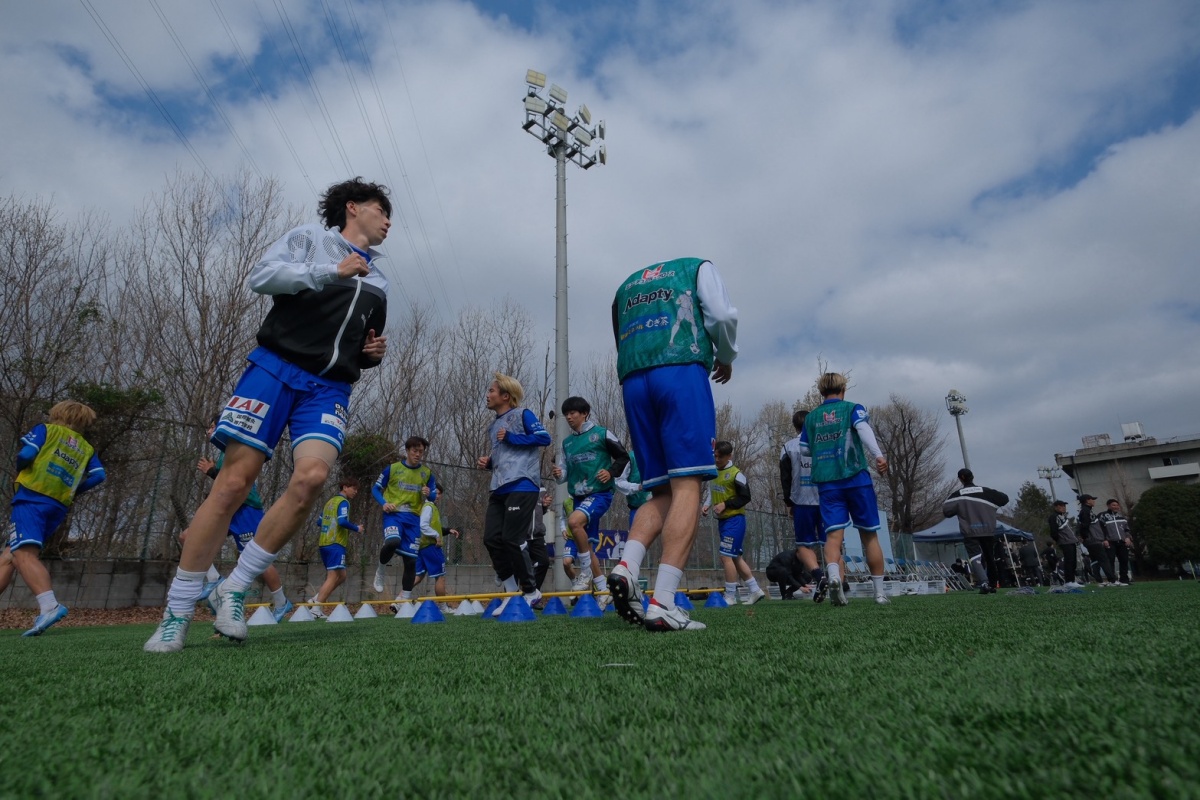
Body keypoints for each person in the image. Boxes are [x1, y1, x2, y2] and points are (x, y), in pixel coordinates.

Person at [145, 177, 392, 653]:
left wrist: (372, 355)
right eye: (382, 211)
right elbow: (262, 277)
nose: (388, 222)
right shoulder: (310, 239)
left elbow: (360, 345)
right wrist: (331, 271)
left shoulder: (380, 283)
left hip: (329, 389)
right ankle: (176, 613)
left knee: (312, 479)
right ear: (353, 207)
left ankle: (234, 589)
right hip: (274, 370)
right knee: (233, 485)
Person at [605, 257, 737, 632]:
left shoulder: (626, 286)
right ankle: (663, 601)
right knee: (688, 485)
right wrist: (726, 355)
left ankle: (627, 565)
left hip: (634, 383)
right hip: (680, 372)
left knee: (661, 490)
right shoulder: (696, 267)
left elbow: (619, 337)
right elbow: (722, 315)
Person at [7, 401, 105, 636]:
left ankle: (49, 606)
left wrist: (21, 466)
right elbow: (98, 475)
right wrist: (74, 491)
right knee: (10, 556)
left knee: (24, 555)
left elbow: (26, 453)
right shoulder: (86, 447)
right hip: (58, 506)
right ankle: (48, 605)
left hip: (32, 497)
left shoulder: (46, 430)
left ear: (57, 413)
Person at [799, 373, 890, 606]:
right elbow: (863, 429)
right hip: (856, 479)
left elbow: (805, 450)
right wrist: (878, 455)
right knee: (869, 535)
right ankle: (880, 594)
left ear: (821, 392)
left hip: (827, 482)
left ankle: (832, 577)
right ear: (843, 388)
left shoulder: (811, 418)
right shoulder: (852, 408)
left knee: (833, 536)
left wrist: (825, 447)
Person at [192, 415, 292, 623]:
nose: (209, 431)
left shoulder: (236, 447)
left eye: (213, 426)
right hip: (227, 509)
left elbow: (236, 481)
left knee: (256, 558)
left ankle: (281, 602)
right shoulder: (224, 451)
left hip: (245, 509)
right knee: (190, 537)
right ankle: (213, 579)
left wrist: (212, 471)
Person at [476, 373, 551, 613]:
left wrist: (511, 437)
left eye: (491, 391)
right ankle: (511, 593)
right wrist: (489, 463)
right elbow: (505, 455)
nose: (487, 395)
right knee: (491, 539)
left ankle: (531, 591)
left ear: (506, 396)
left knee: (512, 538)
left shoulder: (523, 414)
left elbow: (544, 438)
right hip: (498, 487)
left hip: (523, 484)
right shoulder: (492, 426)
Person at [552, 396, 629, 610]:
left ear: (585, 413)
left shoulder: (602, 434)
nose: (569, 417)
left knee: (574, 522)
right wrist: (559, 474)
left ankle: (585, 573)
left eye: (573, 413)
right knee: (587, 547)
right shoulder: (567, 444)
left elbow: (623, 457)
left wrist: (610, 472)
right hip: (578, 497)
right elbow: (563, 475)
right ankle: (603, 592)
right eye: (566, 414)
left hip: (599, 494)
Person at [372, 436, 437, 604]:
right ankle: (381, 570)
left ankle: (404, 601)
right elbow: (376, 489)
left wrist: (429, 493)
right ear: (407, 451)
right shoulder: (392, 469)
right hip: (394, 515)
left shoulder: (427, 473)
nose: (418, 454)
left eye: (421, 451)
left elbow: (433, 495)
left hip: (413, 519)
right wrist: (384, 503)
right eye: (415, 451)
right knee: (392, 542)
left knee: (411, 561)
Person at [702, 441, 765, 605]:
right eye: (715, 456)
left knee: (725, 556)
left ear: (729, 456)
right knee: (736, 557)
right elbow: (712, 491)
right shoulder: (713, 472)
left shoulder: (736, 474)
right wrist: (707, 504)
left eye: (720, 457)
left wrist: (726, 504)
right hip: (723, 522)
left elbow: (746, 497)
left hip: (735, 520)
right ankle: (755, 590)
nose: (717, 459)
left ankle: (730, 596)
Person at [779, 409, 827, 600]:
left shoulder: (789, 447)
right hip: (827, 500)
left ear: (795, 426)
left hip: (802, 501)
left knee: (804, 546)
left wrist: (788, 502)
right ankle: (838, 584)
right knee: (832, 544)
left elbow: (785, 477)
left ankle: (819, 576)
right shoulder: (824, 443)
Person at [942, 468, 1010, 595]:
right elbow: (1005, 499)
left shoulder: (957, 495)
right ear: (972, 477)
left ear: (961, 479)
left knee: (975, 556)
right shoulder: (987, 492)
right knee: (989, 557)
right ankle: (993, 584)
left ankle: (984, 583)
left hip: (970, 530)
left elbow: (946, 511)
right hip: (988, 529)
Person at [309, 478, 361, 618]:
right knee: (333, 576)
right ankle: (316, 608)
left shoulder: (330, 502)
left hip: (324, 543)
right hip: (335, 543)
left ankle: (315, 599)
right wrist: (357, 528)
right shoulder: (343, 502)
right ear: (345, 487)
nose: (355, 492)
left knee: (342, 576)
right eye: (354, 488)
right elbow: (342, 521)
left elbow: (319, 522)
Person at [410, 489, 461, 612]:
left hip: (423, 547)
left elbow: (434, 527)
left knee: (418, 576)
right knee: (440, 577)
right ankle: (443, 607)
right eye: (435, 493)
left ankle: (400, 599)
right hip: (432, 547)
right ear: (428, 493)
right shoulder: (429, 507)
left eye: (439, 494)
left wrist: (448, 530)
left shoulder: (429, 507)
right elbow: (423, 526)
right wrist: (436, 536)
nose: (437, 496)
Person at [1077, 494, 1114, 586]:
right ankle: (1112, 580)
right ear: (1087, 501)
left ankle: (1099, 580)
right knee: (1104, 559)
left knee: (1095, 560)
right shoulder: (1086, 511)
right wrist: (1085, 537)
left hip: (1091, 540)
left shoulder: (1086, 511)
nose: (1093, 501)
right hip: (1093, 539)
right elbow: (1084, 526)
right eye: (1092, 499)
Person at [1096, 499, 1133, 586]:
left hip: (1122, 542)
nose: (1116, 507)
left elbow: (1126, 529)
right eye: (1113, 505)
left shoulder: (1121, 516)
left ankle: (1124, 580)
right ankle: (1112, 580)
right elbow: (1099, 529)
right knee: (1110, 561)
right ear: (1108, 506)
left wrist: (1128, 537)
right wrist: (1104, 539)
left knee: (1124, 560)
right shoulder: (1102, 516)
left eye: (1117, 505)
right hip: (1110, 542)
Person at [1047, 500, 1081, 588]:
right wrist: (1059, 540)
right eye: (1061, 506)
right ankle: (1068, 581)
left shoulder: (1063, 517)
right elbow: (1053, 531)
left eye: (1064, 506)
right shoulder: (1054, 517)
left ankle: (1072, 580)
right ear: (1056, 507)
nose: (1063, 508)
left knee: (1073, 561)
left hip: (1071, 541)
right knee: (1069, 561)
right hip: (1065, 542)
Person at [614, 449, 651, 529]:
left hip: (664, 508)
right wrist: (637, 487)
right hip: (638, 509)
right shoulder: (630, 457)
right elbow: (618, 481)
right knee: (637, 536)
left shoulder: (663, 453)